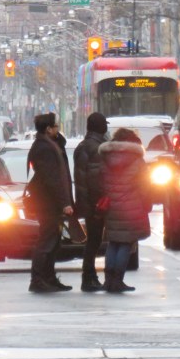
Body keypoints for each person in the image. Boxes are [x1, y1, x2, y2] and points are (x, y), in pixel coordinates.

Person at [26, 113, 75, 293]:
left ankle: (49, 277)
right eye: (55, 127)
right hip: (47, 203)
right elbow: (52, 179)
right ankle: (38, 279)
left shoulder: (50, 145)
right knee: (46, 241)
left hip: (51, 202)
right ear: (48, 129)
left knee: (53, 241)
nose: (58, 130)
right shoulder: (43, 148)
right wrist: (64, 203)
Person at [99, 127, 151, 293]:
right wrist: (147, 204)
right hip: (132, 206)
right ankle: (118, 280)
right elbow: (145, 186)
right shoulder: (137, 160)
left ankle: (108, 280)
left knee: (113, 242)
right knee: (125, 244)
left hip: (112, 206)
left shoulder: (106, 158)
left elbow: (101, 180)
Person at [73, 112, 108, 292]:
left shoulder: (86, 146)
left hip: (90, 202)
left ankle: (90, 276)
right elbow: (92, 180)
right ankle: (88, 277)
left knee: (94, 241)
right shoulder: (95, 148)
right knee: (93, 241)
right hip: (94, 203)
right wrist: (94, 204)